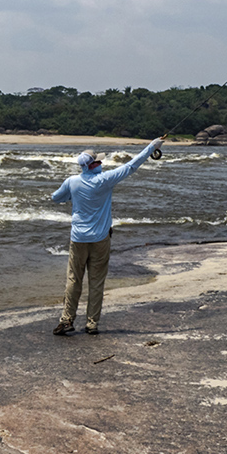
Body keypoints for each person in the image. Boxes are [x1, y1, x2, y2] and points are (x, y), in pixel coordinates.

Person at [51, 137, 164, 335]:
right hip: (100, 239)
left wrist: (72, 195)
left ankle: (66, 320)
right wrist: (153, 146)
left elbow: (55, 198)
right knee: (96, 282)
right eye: (99, 161)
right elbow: (132, 165)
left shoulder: (72, 182)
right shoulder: (105, 180)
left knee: (73, 280)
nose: (102, 163)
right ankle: (92, 323)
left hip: (78, 239)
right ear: (92, 165)